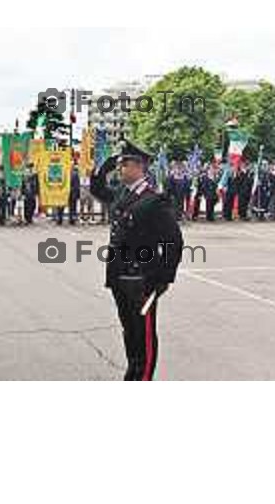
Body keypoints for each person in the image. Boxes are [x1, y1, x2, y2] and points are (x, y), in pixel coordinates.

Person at [90, 141, 183, 381]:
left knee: (144, 338)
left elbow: (174, 242)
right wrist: (104, 168)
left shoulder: (154, 201)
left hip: (142, 281)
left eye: (124, 164)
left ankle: (142, 380)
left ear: (139, 166)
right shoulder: (123, 193)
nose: (119, 168)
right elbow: (99, 191)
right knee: (130, 333)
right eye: (119, 164)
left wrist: (161, 280)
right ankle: (132, 375)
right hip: (120, 279)